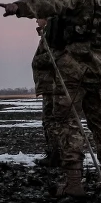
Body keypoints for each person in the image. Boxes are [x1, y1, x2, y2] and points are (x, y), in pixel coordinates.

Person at [0, 0, 101, 198]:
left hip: (73, 65)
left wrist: (19, 7)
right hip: (99, 64)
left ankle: (73, 183)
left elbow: (51, 1)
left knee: (68, 122)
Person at [31, 18, 62, 167]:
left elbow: (54, 56)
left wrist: (36, 60)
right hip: (48, 84)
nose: (37, 21)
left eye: (39, 17)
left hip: (52, 85)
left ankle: (56, 155)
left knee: (51, 120)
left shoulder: (52, 34)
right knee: (48, 120)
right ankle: (54, 153)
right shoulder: (47, 34)